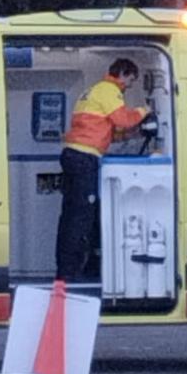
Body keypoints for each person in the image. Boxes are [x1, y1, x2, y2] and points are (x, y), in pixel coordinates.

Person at [55, 58, 156, 285]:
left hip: (73, 155)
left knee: (70, 216)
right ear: (121, 73)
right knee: (82, 218)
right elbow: (123, 119)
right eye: (130, 79)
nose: (129, 85)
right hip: (84, 159)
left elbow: (106, 128)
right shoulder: (109, 90)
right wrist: (146, 109)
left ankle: (64, 270)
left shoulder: (91, 92)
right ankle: (71, 274)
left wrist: (130, 135)